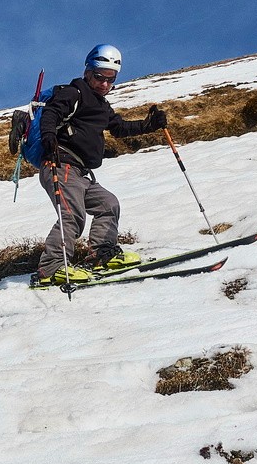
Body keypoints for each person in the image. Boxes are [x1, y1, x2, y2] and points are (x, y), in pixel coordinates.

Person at [33, 44, 166, 286]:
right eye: (99, 77)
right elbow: (52, 113)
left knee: (108, 204)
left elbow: (119, 128)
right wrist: (48, 135)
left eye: (110, 79)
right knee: (72, 215)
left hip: (81, 173)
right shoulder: (74, 93)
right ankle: (51, 267)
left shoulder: (102, 106)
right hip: (60, 164)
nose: (104, 84)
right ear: (88, 71)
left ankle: (101, 254)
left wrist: (150, 125)